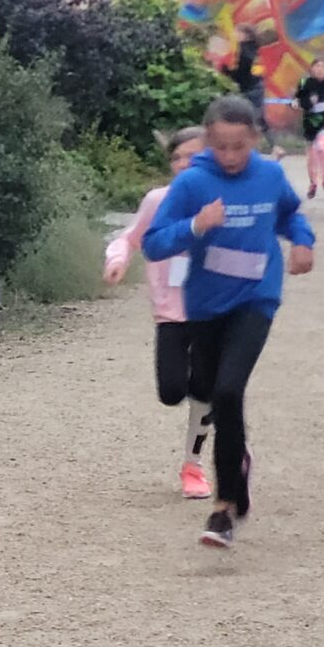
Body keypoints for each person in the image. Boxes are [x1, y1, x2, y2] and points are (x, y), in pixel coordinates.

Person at [142, 96, 316, 549]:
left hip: (256, 299)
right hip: (205, 305)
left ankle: (222, 509)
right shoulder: (193, 183)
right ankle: (238, 463)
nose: (231, 156)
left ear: (254, 139)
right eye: (221, 147)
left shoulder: (269, 175)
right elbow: (154, 244)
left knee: (227, 390)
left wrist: (303, 242)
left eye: (239, 146)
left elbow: (289, 213)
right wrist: (195, 226)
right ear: (208, 141)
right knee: (212, 393)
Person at [104, 126, 214, 499]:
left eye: (192, 157)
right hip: (170, 314)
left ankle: (193, 466)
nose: (183, 164)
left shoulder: (223, 202)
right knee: (171, 391)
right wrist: (117, 260)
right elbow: (128, 238)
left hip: (213, 311)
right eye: (176, 158)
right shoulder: (159, 200)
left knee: (205, 388)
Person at [293, 57, 324, 198]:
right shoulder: (305, 83)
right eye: (317, 66)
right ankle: (313, 183)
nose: (320, 69)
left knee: (322, 148)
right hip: (309, 124)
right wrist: (305, 103)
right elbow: (297, 101)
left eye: (323, 66)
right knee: (312, 156)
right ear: (312, 69)